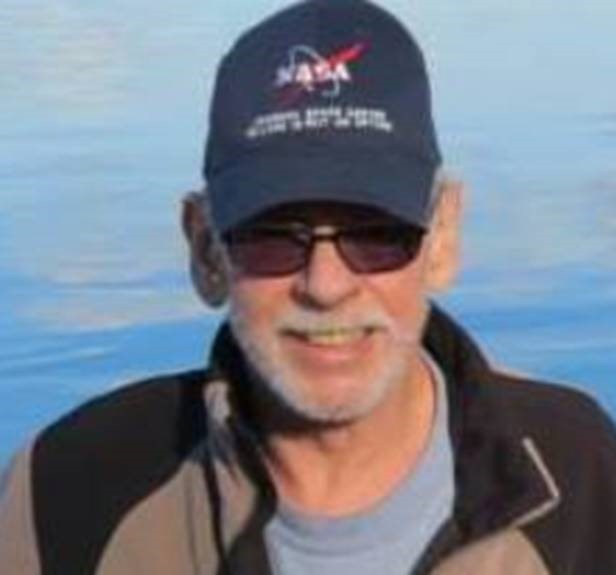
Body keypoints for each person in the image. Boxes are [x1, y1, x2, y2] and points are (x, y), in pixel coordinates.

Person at [2, 1, 616, 573]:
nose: (325, 285)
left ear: (442, 238)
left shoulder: (585, 472)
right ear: (206, 250)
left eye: (377, 235)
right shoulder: (65, 493)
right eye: (273, 238)